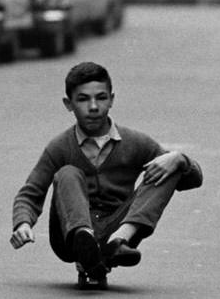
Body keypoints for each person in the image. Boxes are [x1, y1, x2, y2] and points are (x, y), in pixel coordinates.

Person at [10, 61, 202, 280]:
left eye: (101, 98)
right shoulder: (60, 147)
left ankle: (117, 243)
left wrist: (180, 159)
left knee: (170, 164)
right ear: (68, 104)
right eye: (83, 99)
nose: (93, 107)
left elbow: (192, 180)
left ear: (112, 99)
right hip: (69, 237)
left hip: (116, 227)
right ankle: (84, 243)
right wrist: (23, 223)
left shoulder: (135, 142)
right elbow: (30, 193)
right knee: (68, 173)